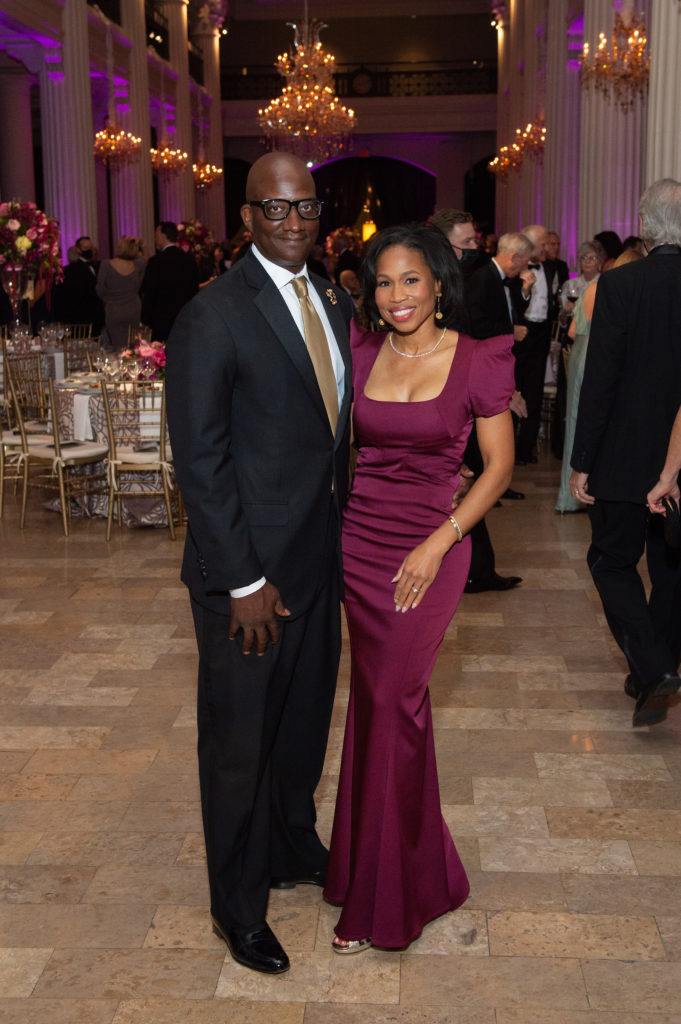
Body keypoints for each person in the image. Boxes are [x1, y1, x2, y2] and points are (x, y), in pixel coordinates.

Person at [165, 152, 353, 975]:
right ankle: (237, 907)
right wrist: (241, 580)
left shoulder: (335, 300)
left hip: (320, 562)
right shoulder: (213, 315)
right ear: (247, 218)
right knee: (239, 745)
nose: (292, 222)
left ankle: (288, 845)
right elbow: (199, 463)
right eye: (274, 210)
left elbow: (328, 438)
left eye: (305, 207)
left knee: (303, 726)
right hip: (250, 582)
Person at [323, 223, 515, 952]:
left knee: (394, 702)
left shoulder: (475, 361)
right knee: (376, 709)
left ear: (438, 283)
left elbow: (494, 468)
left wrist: (441, 540)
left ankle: (385, 899)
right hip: (359, 547)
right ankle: (390, 870)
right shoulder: (360, 351)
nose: (396, 295)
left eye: (410, 280)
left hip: (432, 549)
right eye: (382, 282)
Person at [570, 178, 681, 728]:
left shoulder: (623, 285)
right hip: (679, 456)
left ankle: (654, 665)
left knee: (611, 560)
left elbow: (601, 379)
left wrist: (581, 458)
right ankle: (656, 667)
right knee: (671, 565)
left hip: (625, 452)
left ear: (645, 224)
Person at [515, 223, 556, 465]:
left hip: (541, 333)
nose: (546, 248)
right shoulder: (516, 270)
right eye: (542, 244)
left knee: (535, 391)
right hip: (521, 332)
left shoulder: (550, 268)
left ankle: (526, 448)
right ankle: (509, 447)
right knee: (514, 389)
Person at [555, 281, 597, 513]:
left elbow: (571, 331)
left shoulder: (591, 288)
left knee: (574, 423)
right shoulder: (614, 289)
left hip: (578, 353)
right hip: (595, 356)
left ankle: (569, 497)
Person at [140, 221, 200, 340]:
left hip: (161, 322)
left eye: (156, 235)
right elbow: (194, 290)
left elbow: (149, 293)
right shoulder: (189, 260)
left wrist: (144, 320)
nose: (155, 239)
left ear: (163, 236)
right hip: (185, 320)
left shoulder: (155, 262)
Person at [96, 235, 146, 351]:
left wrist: (109, 299)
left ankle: (120, 366)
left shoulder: (106, 264)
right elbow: (145, 257)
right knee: (133, 344)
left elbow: (100, 289)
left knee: (117, 345)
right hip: (134, 307)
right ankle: (132, 367)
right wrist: (140, 245)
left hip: (114, 309)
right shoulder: (139, 264)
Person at [54, 235, 104, 332]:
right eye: (86, 248)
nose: (89, 250)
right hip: (83, 319)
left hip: (93, 319)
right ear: (78, 250)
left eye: (91, 247)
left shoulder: (97, 267)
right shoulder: (71, 270)